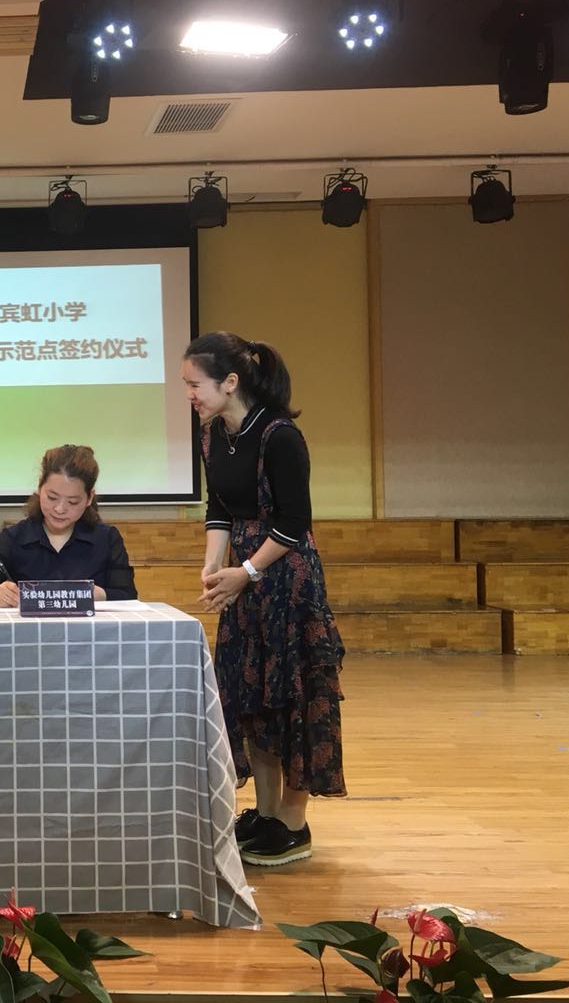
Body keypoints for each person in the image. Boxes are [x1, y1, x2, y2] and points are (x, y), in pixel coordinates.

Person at [181, 331, 345, 868]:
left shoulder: (280, 436)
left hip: (285, 583)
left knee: (290, 697)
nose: (190, 395)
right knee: (250, 697)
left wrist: (246, 571)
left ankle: (294, 824)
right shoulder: (213, 436)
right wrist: (214, 564)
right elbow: (220, 509)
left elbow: (295, 523)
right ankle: (268, 812)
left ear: (230, 382)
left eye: (195, 384)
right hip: (243, 581)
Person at [0, 444, 136, 606]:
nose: (60, 509)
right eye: (52, 497)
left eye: (73, 502)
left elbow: (127, 595)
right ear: (39, 488)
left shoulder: (106, 538)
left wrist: (97, 594)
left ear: (89, 498)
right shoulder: (15, 537)